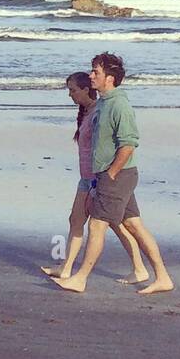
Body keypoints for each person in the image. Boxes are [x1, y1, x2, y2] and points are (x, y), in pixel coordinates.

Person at [55, 52, 174, 294]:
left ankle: (80, 278)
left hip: (117, 176)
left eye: (95, 72)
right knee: (134, 227)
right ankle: (162, 277)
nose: (91, 76)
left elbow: (129, 143)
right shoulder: (104, 103)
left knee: (97, 227)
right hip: (111, 176)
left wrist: (109, 174)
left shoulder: (119, 105)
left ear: (109, 78)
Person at [40, 70, 148, 284]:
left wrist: (104, 179)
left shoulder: (101, 111)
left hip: (100, 178)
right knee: (76, 219)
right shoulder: (87, 111)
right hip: (86, 178)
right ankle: (66, 268)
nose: (70, 94)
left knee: (119, 224)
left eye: (72, 90)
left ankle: (139, 268)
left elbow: (118, 146)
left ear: (85, 90)